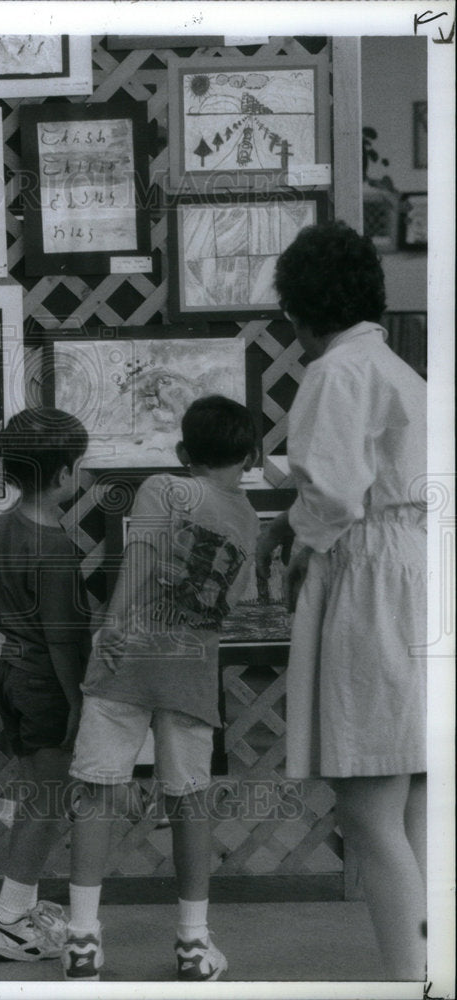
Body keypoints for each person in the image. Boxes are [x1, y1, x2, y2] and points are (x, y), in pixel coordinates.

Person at [258, 221, 427, 981]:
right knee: (410, 797)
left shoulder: (334, 372)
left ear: (297, 308)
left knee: (366, 803)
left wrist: (297, 543)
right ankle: (426, 968)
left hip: (367, 576)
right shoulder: (393, 367)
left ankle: (410, 979)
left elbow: (330, 493)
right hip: (416, 570)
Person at [61, 395, 260, 982]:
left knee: (96, 792)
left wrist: (113, 628)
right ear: (248, 455)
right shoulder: (247, 519)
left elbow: (140, 561)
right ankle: (194, 943)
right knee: (190, 800)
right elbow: (236, 600)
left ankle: (81, 940)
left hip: (129, 662)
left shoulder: (162, 489)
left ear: (182, 452)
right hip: (191, 672)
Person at [0, 407, 92, 962]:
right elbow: (64, 641)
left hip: (13, 672)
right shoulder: (58, 549)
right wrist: (78, 702)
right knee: (47, 805)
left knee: (34, 798)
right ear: (66, 473)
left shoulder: (7, 523)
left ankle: (21, 908)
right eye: (80, 466)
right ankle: (8, 920)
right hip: (47, 682)